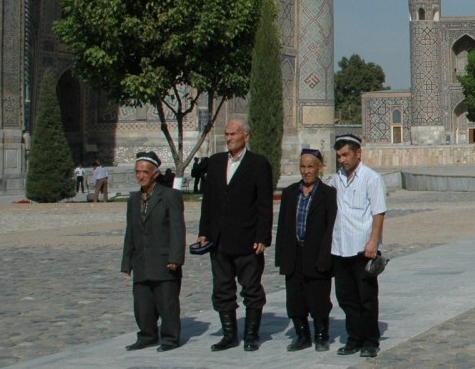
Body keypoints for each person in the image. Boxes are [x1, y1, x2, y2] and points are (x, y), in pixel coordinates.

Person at [197, 118, 273, 352]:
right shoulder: (216, 162)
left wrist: (262, 236)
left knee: (250, 288)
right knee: (222, 289)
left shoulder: (258, 164)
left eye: (233, 134)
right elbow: (208, 201)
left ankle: (251, 334)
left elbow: (263, 204)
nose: (228, 138)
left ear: (246, 136)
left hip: (247, 240)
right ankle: (229, 335)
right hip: (219, 240)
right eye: (226, 134)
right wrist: (204, 232)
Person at [121, 151, 186, 352]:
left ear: (155, 173)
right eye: (137, 172)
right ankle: (147, 334)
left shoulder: (169, 196)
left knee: (167, 303)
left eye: (145, 172)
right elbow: (130, 231)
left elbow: (177, 229)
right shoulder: (133, 199)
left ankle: (170, 337)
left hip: (164, 259)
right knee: (142, 304)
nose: (140, 176)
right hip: (142, 260)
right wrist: (127, 261)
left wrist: (175, 257)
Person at [329, 134, 387, 358]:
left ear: (358, 153)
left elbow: (378, 212)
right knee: (346, 298)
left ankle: (370, 340)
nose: (342, 160)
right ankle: (353, 338)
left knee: (366, 298)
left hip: (363, 248)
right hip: (340, 248)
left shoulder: (371, 178)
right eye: (339, 156)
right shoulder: (337, 180)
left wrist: (373, 241)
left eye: (345, 155)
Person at [275, 149, 337, 352]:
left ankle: (321, 335)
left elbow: (330, 228)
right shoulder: (290, 193)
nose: (306, 171)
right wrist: (282, 257)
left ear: (319, 168)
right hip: (295, 255)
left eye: (310, 166)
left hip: (317, 254)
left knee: (318, 299)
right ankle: (302, 335)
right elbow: (283, 226)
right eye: (303, 166)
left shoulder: (328, 194)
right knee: (295, 299)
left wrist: (326, 256)